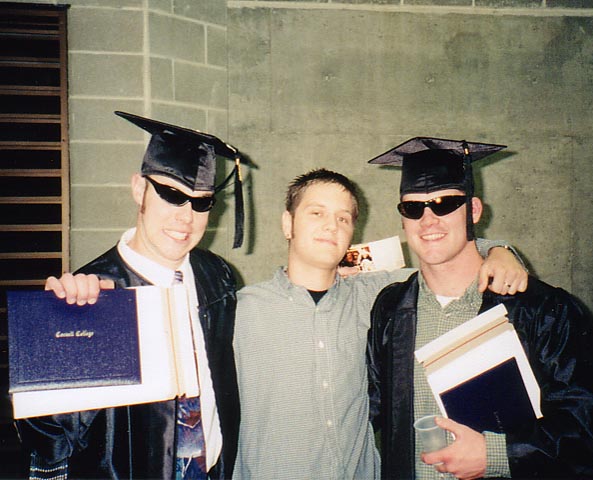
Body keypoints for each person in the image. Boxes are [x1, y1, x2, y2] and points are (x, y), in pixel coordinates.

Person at [232, 168, 529, 479]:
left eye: (343, 218)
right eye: (316, 213)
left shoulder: (376, 296)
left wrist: (498, 250)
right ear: (287, 223)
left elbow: (446, 261)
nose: (331, 226)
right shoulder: (242, 309)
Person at [367, 137, 593, 479]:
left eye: (444, 204)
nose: (428, 220)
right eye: (413, 208)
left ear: (473, 210)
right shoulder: (391, 308)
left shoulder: (543, 310)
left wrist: (499, 453)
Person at [16, 111, 244, 479]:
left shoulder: (218, 276)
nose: (186, 217)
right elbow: (48, 436)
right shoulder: (91, 292)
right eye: (171, 195)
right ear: (139, 189)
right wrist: (53, 334)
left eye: (201, 202)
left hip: (212, 469)